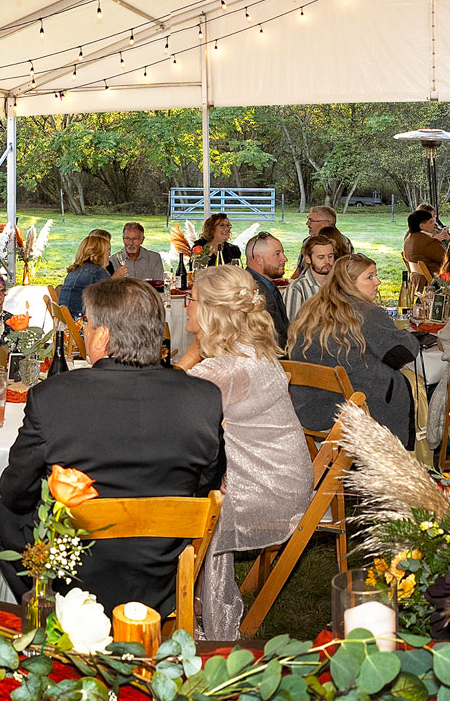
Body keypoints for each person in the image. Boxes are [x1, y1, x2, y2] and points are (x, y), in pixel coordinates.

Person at [0, 277, 225, 610]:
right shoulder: (203, 398)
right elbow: (205, 484)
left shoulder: (53, 396)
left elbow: (15, 491)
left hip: (79, 573)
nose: (83, 330)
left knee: (1, 515)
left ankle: (53, 612)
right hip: (162, 572)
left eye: (86, 322)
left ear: (102, 335)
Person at [166, 266, 311, 638]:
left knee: (185, 502)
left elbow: (162, 402)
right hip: (285, 475)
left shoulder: (224, 369)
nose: (186, 305)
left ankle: (200, 617)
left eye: (193, 299)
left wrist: (189, 356)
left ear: (214, 312)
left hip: (266, 490)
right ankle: (183, 593)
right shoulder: (251, 351)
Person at [286, 254, 422, 446]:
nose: (378, 281)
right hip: (352, 413)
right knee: (417, 388)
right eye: (370, 277)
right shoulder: (365, 313)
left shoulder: (310, 309)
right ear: (348, 282)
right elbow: (404, 353)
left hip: (309, 410)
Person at [284, 233, 343, 323]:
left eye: (330, 256)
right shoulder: (296, 289)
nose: (327, 261)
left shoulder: (341, 284)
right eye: (321, 257)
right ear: (308, 259)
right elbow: (292, 327)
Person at [244, 231, 290, 341]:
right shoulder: (251, 292)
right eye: (277, 254)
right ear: (259, 259)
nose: (285, 259)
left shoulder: (266, 285)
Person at [55, 232, 113, 318]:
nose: (109, 254)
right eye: (108, 251)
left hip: (67, 323)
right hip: (81, 323)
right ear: (98, 253)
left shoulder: (75, 270)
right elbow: (115, 301)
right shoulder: (97, 272)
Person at [401, 208, 448, 284]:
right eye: (431, 222)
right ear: (422, 226)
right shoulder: (429, 242)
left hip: (417, 282)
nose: (434, 225)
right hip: (436, 282)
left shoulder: (408, 240)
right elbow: (447, 259)